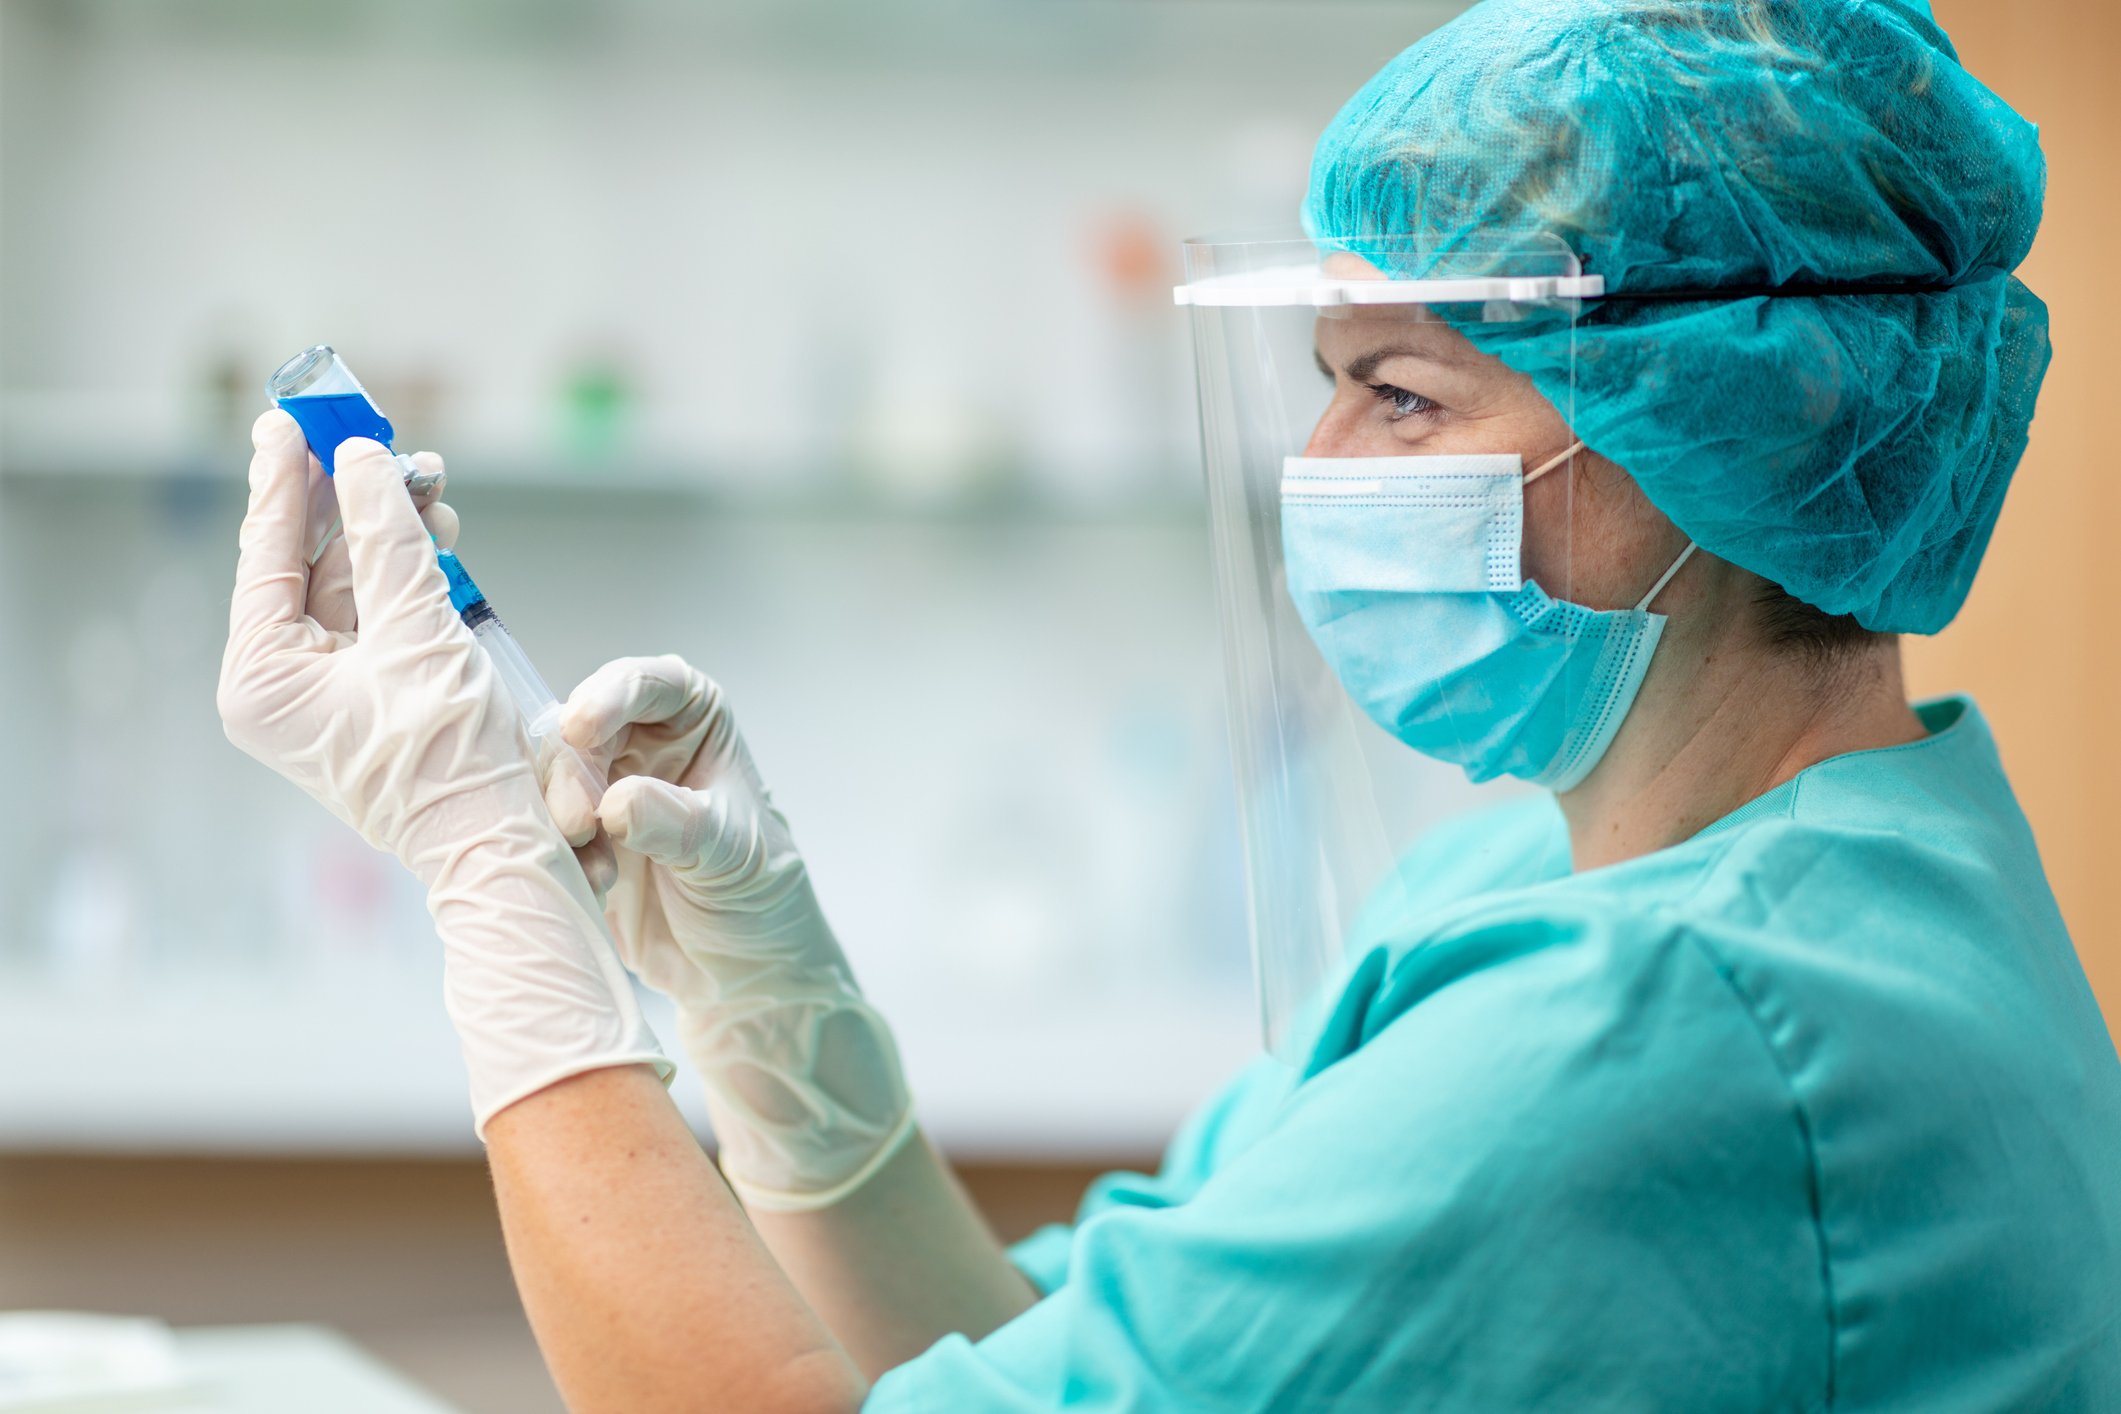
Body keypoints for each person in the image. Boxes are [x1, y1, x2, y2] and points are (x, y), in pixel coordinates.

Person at [216, 0, 2121, 1408]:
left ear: (1708, 432)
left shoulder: (1654, 1040)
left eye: (1400, 394)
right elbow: (1046, 1365)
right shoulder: (1612, 903)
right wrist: (758, 992)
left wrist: (489, 882)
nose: (1319, 463)